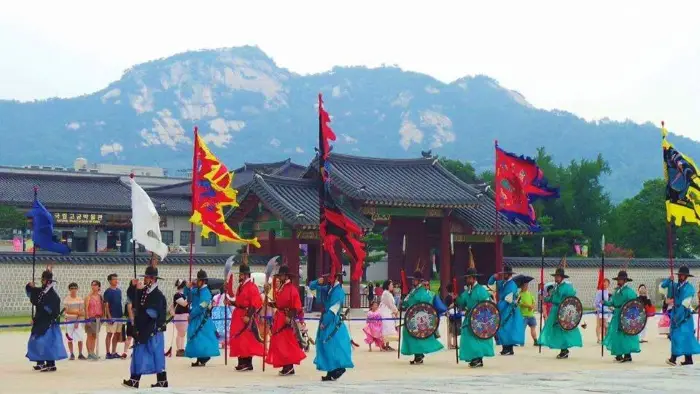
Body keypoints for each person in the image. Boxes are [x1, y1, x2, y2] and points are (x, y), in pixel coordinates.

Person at [121, 265, 168, 388]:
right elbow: (132, 296)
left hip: (152, 328)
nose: (145, 279)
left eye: (147, 277)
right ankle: (134, 380)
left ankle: (162, 381)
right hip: (142, 327)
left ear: (152, 279)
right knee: (139, 353)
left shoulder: (158, 295)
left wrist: (140, 313)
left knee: (156, 354)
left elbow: (152, 313)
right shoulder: (144, 292)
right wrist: (133, 286)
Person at [310, 272, 354, 381]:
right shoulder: (330, 288)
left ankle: (338, 368)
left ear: (336, 278)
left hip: (332, 322)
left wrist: (325, 322)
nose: (329, 279)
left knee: (332, 346)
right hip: (327, 320)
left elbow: (333, 310)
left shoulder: (338, 291)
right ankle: (331, 371)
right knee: (327, 346)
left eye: (331, 277)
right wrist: (317, 281)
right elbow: (311, 286)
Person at [266, 265, 306, 376]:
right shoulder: (282, 288)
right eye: (279, 275)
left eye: (281, 275)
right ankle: (286, 366)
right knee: (279, 342)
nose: (279, 278)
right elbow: (279, 303)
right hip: (279, 317)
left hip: (286, 319)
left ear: (286, 276)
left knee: (286, 343)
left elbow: (296, 306)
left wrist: (289, 317)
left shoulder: (292, 289)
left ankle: (289, 366)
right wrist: (269, 302)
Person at [400, 269, 445, 365]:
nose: (413, 281)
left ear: (420, 281)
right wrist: (403, 302)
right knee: (410, 335)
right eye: (413, 280)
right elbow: (407, 301)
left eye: (415, 280)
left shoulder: (423, 292)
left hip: (418, 318)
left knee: (416, 335)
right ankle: (418, 354)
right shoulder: (414, 291)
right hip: (412, 317)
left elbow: (425, 302)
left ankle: (419, 355)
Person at [26, 268, 67, 372]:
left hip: (48, 322)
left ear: (48, 281)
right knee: (36, 342)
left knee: (47, 342)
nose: (42, 282)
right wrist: (30, 287)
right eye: (42, 280)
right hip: (40, 320)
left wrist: (44, 311)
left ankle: (50, 363)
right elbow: (35, 296)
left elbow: (52, 310)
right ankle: (40, 362)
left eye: (44, 280)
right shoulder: (42, 292)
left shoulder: (53, 295)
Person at [227, 262, 264, 372]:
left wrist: (248, 315)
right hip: (238, 314)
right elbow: (239, 302)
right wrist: (230, 302)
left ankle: (248, 362)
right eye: (240, 274)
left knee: (247, 339)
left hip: (246, 315)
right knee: (238, 338)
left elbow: (255, 303)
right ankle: (241, 361)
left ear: (246, 275)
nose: (240, 276)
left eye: (241, 274)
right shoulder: (241, 286)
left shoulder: (252, 287)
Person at [539, 267, 583, 359]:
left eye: (557, 276)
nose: (556, 278)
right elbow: (552, 298)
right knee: (556, 329)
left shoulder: (567, 287)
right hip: (554, 311)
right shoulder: (556, 286)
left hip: (562, 312)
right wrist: (544, 298)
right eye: (555, 276)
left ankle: (564, 349)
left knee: (563, 329)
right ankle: (563, 349)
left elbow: (571, 300)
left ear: (562, 277)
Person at [456, 267, 494, 368]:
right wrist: (455, 298)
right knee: (467, 337)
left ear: (473, 278)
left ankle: (478, 358)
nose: (467, 280)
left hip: (479, 319)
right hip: (470, 317)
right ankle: (474, 358)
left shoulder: (481, 290)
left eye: (468, 278)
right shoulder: (469, 290)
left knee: (477, 339)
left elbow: (487, 304)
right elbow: (462, 301)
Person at [661, 266, 700, 366]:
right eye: (680, 275)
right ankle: (688, 359)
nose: (681, 276)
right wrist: (668, 280)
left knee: (683, 337)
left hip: (684, 315)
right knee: (676, 336)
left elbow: (685, 304)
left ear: (686, 276)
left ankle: (674, 358)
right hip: (675, 312)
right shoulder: (674, 285)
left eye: (683, 275)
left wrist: (677, 317)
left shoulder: (689, 288)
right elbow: (662, 288)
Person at [184, 269, 220, 367]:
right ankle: (199, 357)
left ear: (203, 281)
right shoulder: (196, 290)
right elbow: (187, 295)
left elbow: (202, 306)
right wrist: (187, 287)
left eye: (199, 280)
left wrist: (192, 314)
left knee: (202, 338)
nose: (197, 282)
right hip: (195, 317)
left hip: (202, 318)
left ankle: (204, 357)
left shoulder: (206, 293)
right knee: (196, 338)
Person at [602, 271, 640, 362]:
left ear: (625, 280)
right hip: (617, 314)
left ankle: (627, 354)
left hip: (626, 316)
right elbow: (612, 302)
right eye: (618, 279)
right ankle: (618, 354)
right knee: (616, 334)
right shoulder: (616, 291)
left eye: (621, 279)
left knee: (625, 335)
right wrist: (605, 302)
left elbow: (634, 304)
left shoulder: (629, 291)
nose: (619, 281)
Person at [487, 266, 524, 355]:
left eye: (505, 274)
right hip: (503, 307)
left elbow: (508, 299)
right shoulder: (502, 283)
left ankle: (509, 349)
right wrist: (493, 277)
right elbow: (491, 285)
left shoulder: (512, 285)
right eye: (503, 274)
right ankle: (505, 347)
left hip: (509, 309)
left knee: (508, 328)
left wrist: (498, 308)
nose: (504, 275)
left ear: (509, 274)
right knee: (502, 328)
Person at [64, 282, 86, 360]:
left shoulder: (80, 299)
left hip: (78, 321)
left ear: (77, 289)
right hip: (69, 321)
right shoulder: (66, 299)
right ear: (69, 290)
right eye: (71, 288)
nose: (73, 290)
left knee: (80, 338)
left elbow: (82, 312)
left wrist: (77, 320)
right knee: (69, 338)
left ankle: (80, 354)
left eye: (75, 288)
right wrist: (76, 312)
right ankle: (71, 354)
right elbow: (67, 311)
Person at [103, 273, 124, 360]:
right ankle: (108, 353)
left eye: (116, 278)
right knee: (109, 334)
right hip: (111, 316)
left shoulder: (119, 291)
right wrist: (109, 316)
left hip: (119, 316)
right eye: (114, 279)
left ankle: (114, 352)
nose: (116, 280)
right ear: (110, 281)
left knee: (116, 334)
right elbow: (106, 305)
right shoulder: (107, 292)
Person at [84, 280, 103, 360]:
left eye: (95, 285)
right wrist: (87, 319)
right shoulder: (88, 297)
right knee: (89, 335)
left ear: (99, 286)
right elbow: (86, 308)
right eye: (92, 285)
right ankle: (89, 353)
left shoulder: (100, 297)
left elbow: (102, 306)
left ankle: (93, 352)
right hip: (90, 318)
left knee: (95, 336)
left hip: (98, 318)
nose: (93, 286)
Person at [378, 280, 399, 351]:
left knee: (388, 328)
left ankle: (387, 345)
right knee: (386, 328)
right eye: (391, 284)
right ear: (388, 286)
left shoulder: (388, 293)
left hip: (388, 311)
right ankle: (384, 345)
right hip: (385, 312)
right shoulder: (386, 293)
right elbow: (391, 304)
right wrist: (396, 311)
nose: (392, 286)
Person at [172, 279, 189, 357]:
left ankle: (182, 348)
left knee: (182, 333)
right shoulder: (177, 295)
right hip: (180, 315)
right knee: (180, 333)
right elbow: (184, 304)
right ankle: (179, 349)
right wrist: (189, 296)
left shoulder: (183, 294)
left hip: (185, 315)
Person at [518, 281, 538, 346]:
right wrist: (528, 306)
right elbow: (520, 303)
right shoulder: (519, 294)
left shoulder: (529, 294)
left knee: (533, 328)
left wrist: (532, 306)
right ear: (521, 286)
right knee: (522, 329)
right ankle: (521, 342)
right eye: (525, 285)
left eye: (527, 285)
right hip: (523, 315)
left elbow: (533, 301)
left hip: (531, 315)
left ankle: (535, 341)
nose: (526, 287)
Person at [121, 281, 136, 359]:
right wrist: (132, 319)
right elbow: (129, 308)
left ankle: (134, 352)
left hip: (138, 319)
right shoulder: (130, 296)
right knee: (129, 336)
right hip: (131, 320)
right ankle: (125, 352)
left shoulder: (139, 295)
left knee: (136, 337)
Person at [444, 283, 461, 350]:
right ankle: (454, 344)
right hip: (453, 314)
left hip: (449, 314)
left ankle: (449, 344)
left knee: (450, 330)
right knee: (454, 330)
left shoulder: (446, 298)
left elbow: (445, 307)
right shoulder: (454, 297)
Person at [595, 278, 612, 344]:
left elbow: (608, 302)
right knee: (599, 325)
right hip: (600, 310)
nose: (605, 284)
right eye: (604, 282)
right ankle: (598, 338)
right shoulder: (599, 292)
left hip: (606, 311)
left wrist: (610, 308)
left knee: (605, 325)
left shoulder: (608, 292)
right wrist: (598, 307)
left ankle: (605, 338)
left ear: (608, 284)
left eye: (606, 283)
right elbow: (596, 302)